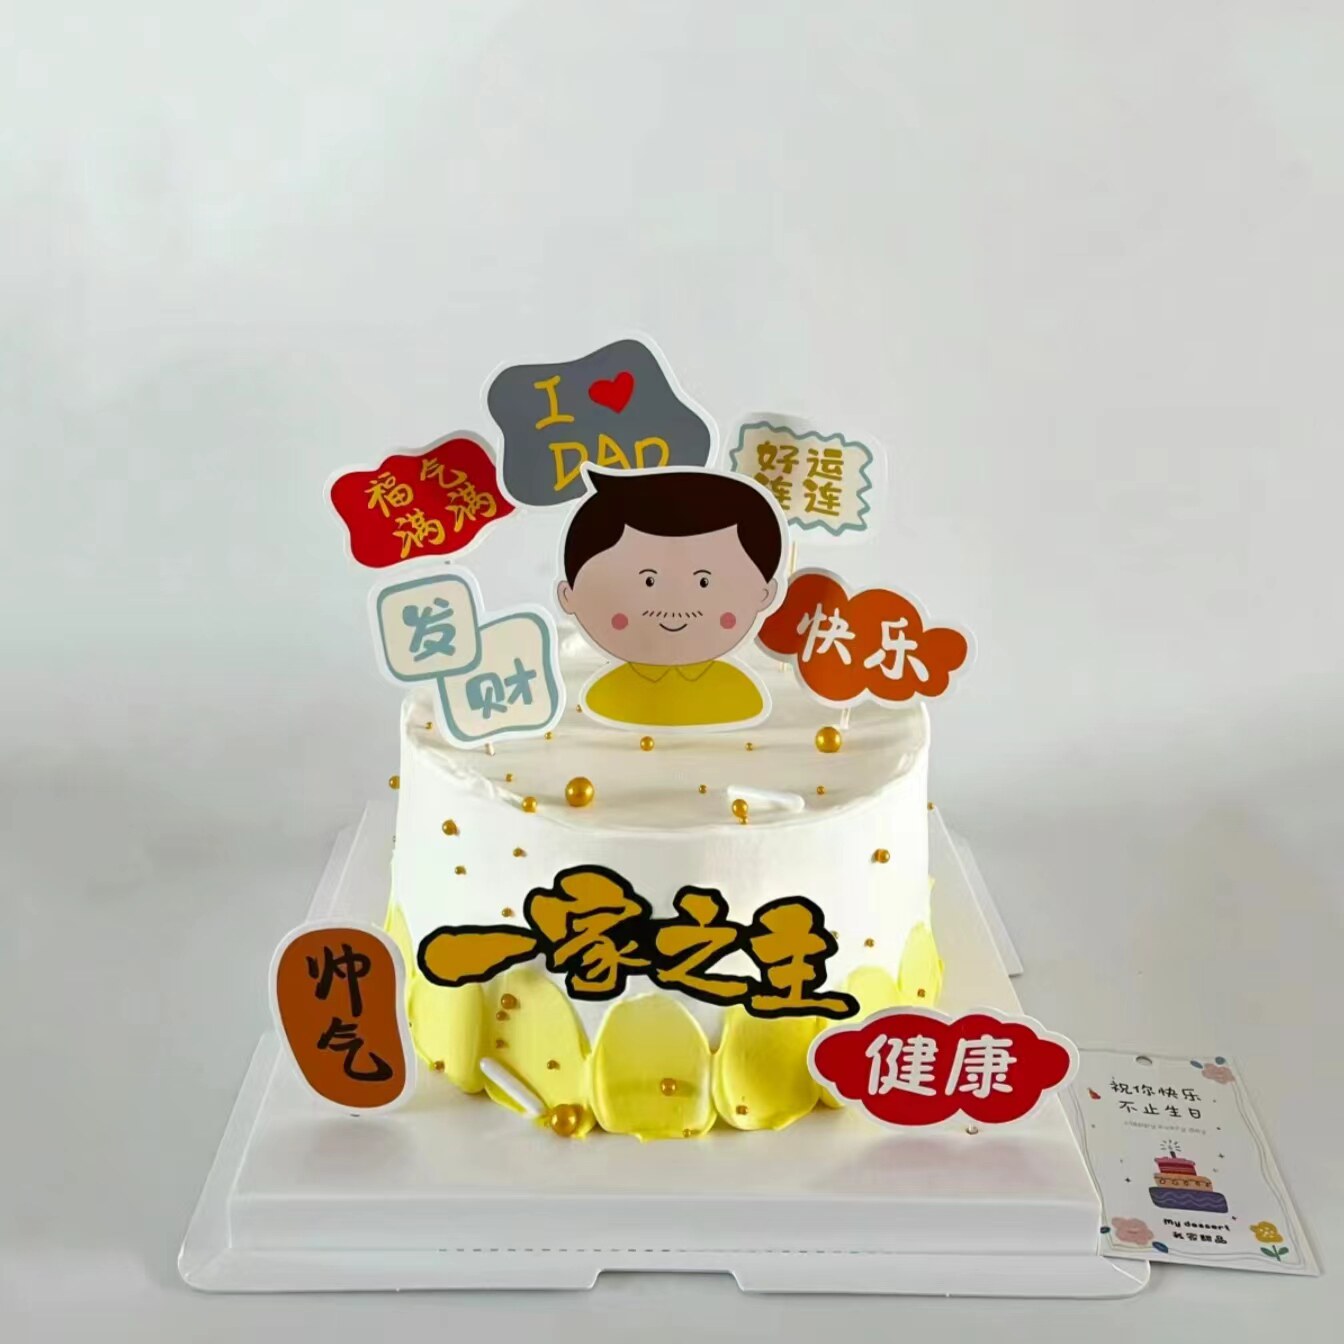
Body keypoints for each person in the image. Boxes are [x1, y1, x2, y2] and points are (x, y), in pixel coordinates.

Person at [556, 468, 785, 727]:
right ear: (568, 596)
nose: (675, 602)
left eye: (704, 582)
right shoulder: (602, 696)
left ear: (765, 594)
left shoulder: (742, 696)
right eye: (648, 581)